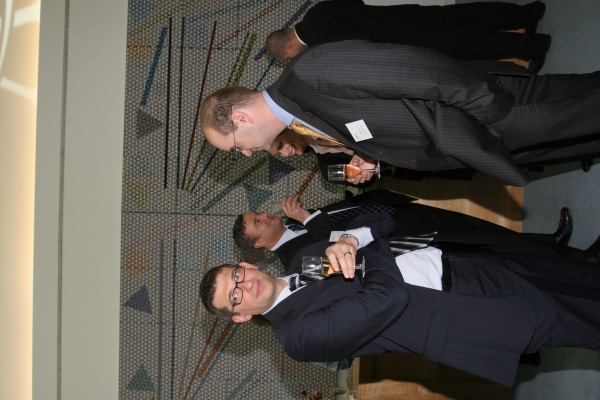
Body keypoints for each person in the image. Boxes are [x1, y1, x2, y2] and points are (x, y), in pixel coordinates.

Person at [201, 213, 600, 387]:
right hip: (462, 311)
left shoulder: (304, 259)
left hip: (456, 261)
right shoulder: (297, 338)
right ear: (240, 317)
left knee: (569, 278)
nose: (245, 286)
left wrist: (350, 237)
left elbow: (382, 222)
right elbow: (386, 297)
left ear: (245, 265)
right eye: (235, 297)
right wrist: (358, 247)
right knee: (575, 318)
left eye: (237, 276)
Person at [200, 41, 600, 186]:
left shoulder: (307, 74)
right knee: (585, 98)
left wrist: (492, 108)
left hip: (486, 115)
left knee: (587, 108)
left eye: (236, 147)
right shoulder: (299, 118)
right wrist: (369, 154)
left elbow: (416, 69)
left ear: (241, 119)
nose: (246, 153)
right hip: (477, 132)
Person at [232, 190, 600, 272]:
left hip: (402, 218)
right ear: (259, 245)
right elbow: (340, 248)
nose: (264, 216)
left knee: (483, 231)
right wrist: (310, 218)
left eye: (258, 214)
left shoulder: (295, 224)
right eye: (257, 223)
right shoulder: (295, 262)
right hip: (407, 246)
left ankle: (552, 244)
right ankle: (580, 261)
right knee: (493, 251)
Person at [266, 0, 550, 72]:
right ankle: (528, 13)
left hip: (406, 38)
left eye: (289, 56)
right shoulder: (316, 11)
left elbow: (360, 48)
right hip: (404, 14)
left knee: (470, 44)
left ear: (287, 48)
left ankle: (533, 46)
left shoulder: (321, 45)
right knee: (466, 14)